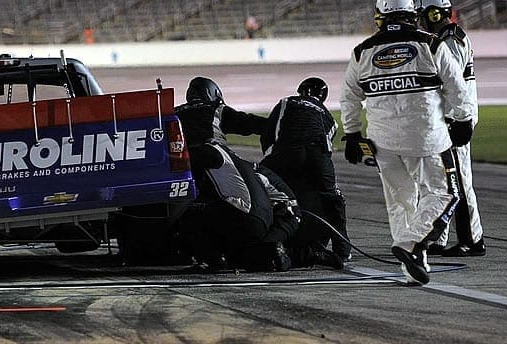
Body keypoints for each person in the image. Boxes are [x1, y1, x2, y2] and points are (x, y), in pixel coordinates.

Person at [340, 0, 474, 285]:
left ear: (380, 17)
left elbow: (349, 97)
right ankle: (411, 244)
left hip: (381, 141)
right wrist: (464, 120)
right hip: (426, 138)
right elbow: (456, 86)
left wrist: (352, 134)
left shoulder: (362, 51)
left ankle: (412, 266)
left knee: (400, 202)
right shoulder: (431, 44)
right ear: (413, 14)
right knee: (445, 194)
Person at [174, 77, 342, 272]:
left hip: (182, 176)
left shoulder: (173, 114)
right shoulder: (214, 110)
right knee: (288, 206)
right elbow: (250, 123)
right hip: (224, 170)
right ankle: (285, 249)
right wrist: (282, 130)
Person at [417, 0, 486, 257]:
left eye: (423, 15)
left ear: (434, 14)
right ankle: (439, 238)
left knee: (460, 182)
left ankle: (472, 240)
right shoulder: (446, 39)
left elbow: (454, 85)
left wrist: (458, 120)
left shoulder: (450, 41)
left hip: (456, 122)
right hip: (450, 120)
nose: (420, 21)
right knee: (445, 182)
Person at [260, 77, 351, 262]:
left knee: (266, 190)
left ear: (300, 90)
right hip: (317, 155)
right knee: (333, 199)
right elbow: (326, 148)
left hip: (285, 152)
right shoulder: (329, 118)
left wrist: (271, 160)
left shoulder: (286, 102)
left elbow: (270, 133)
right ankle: (342, 248)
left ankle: (267, 239)